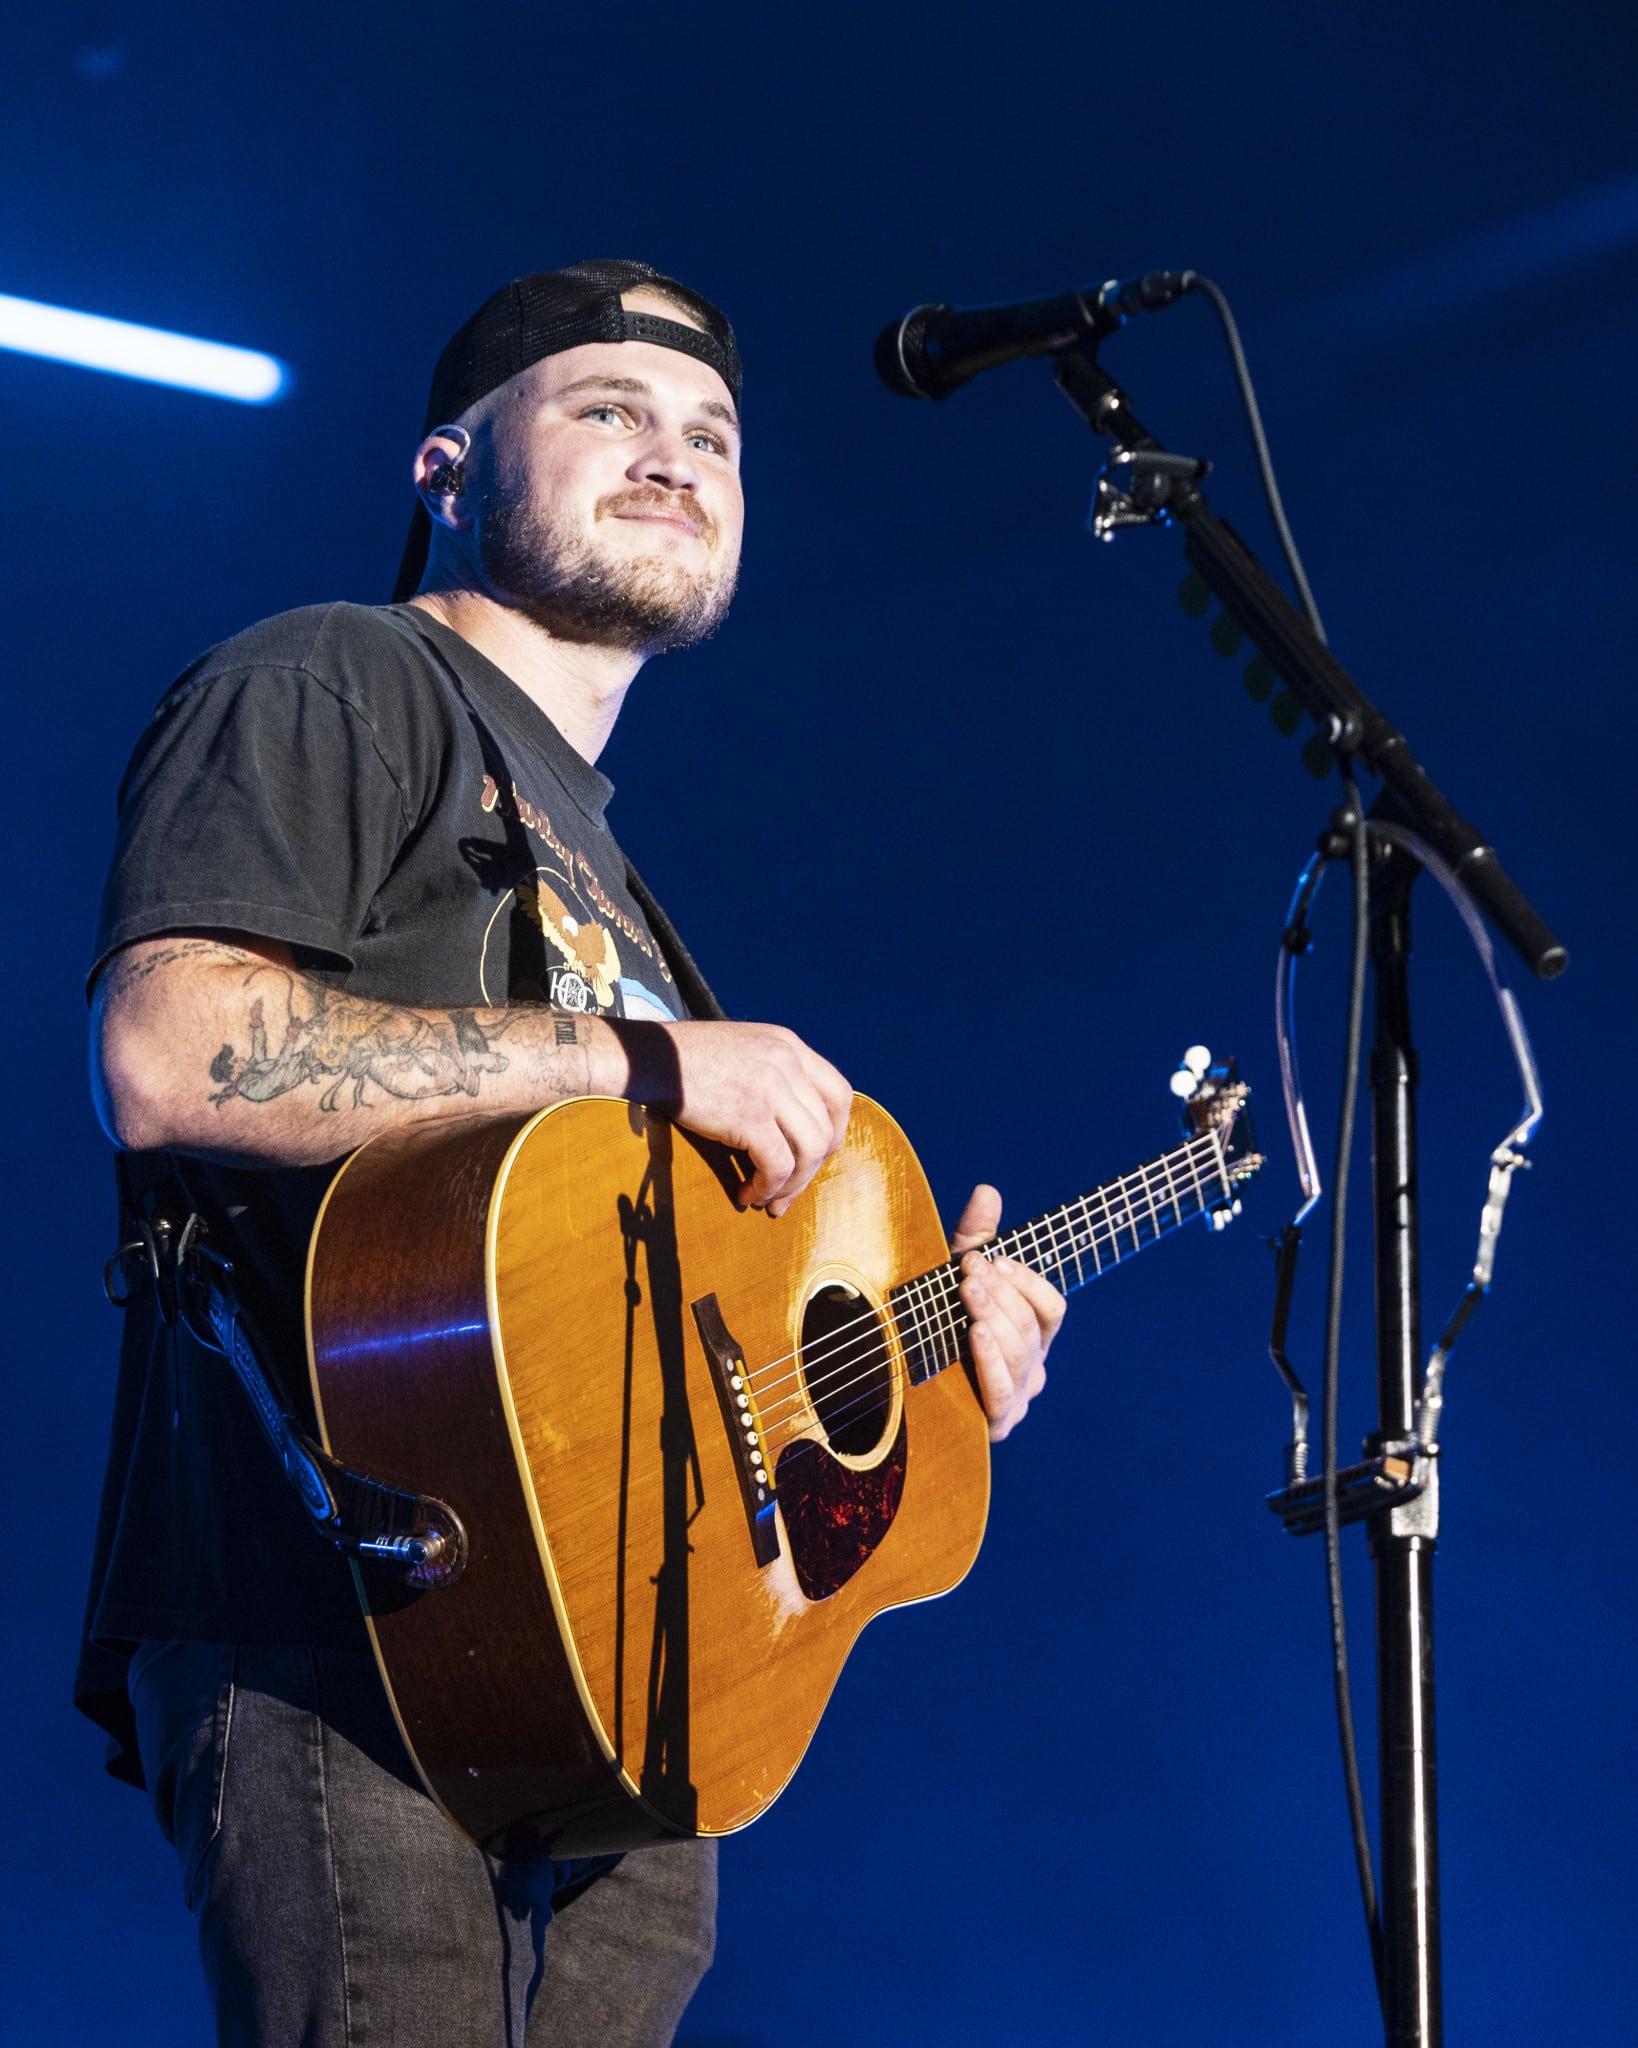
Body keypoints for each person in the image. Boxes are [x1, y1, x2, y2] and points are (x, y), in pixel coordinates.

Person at [80, 259, 1065, 2047]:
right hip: (349, 1616)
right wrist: (632, 1053)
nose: (672, 457)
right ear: (444, 468)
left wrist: (921, 1356)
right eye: (606, 410)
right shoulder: (337, 677)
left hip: (643, 1674)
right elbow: (166, 1051)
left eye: (713, 437)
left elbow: (700, 1344)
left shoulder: (613, 878)